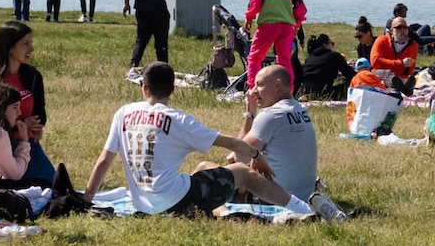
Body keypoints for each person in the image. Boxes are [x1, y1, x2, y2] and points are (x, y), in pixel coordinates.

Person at [83, 62, 326, 219]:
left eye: (259, 85)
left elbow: (104, 159)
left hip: (144, 203)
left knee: (208, 173)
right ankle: (304, 210)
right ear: (173, 89)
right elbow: (235, 148)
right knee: (231, 173)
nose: (254, 90)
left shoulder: (123, 113)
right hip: (174, 200)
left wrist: (87, 200)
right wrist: (256, 155)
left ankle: (224, 213)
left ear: (144, 88)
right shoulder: (179, 120)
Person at [0, 21, 55, 184]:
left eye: (31, 43)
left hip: (26, 144)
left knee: (52, 185)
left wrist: (32, 127)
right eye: (25, 44)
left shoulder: (33, 76)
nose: (31, 49)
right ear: (9, 47)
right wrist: (22, 124)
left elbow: (40, 116)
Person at [227, 65, 317, 201]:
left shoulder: (272, 115)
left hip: (274, 200)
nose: (253, 91)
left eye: (259, 85)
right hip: (304, 197)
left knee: (206, 169)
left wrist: (249, 114)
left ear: (277, 85)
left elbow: (237, 157)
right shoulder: (301, 109)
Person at [243, 0, 307, 91]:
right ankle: (288, 91)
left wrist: (249, 16)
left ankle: (254, 90)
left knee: (255, 58)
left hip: (269, 24)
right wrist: (297, 23)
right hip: (287, 26)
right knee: (285, 60)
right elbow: (300, 6)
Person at [371, 17, 419, 95]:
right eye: (399, 27)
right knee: (388, 74)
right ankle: (402, 89)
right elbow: (375, 61)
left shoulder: (413, 46)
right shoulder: (382, 40)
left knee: (407, 77)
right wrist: (400, 64)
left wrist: (393, 66)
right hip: (381, 74)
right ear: (391, 30)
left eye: (405, 27)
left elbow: (408, 70)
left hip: (400, 76)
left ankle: (404, 88)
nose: (402, 30)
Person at [300, 34, 356, 99]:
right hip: (324, 93)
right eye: (332, 43)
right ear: (325, 45)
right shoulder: (333, 56)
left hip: (305, 91)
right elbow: (350, 73)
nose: (333, 46)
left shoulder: (309, 58)